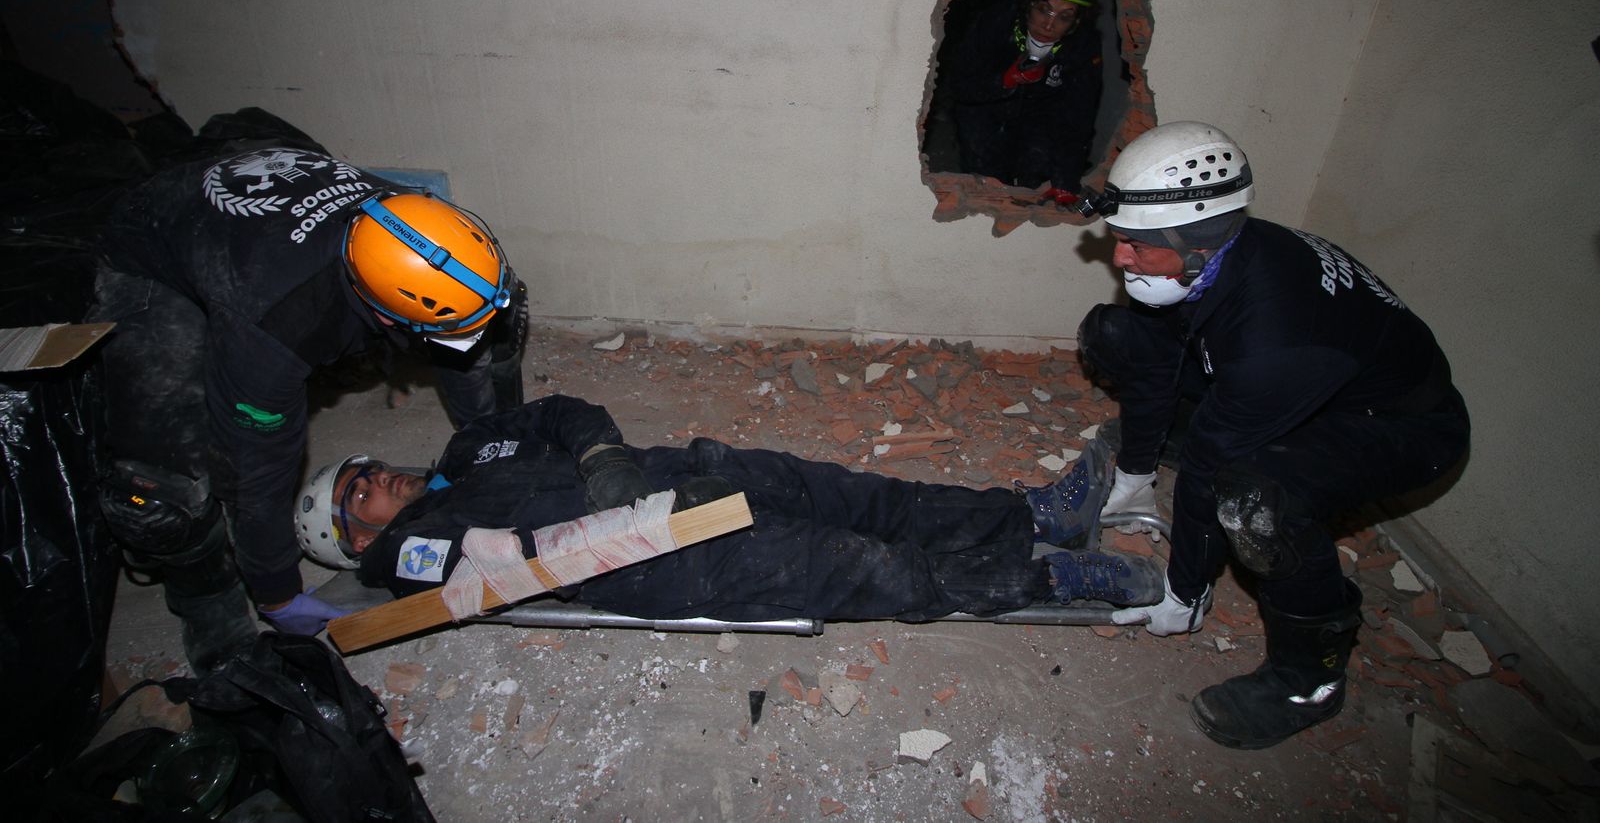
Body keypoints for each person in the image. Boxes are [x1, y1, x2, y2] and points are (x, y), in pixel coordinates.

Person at [1069, 121, 1470, 749]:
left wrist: (1186, 588)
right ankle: (1173, 456)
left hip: (1400, 427)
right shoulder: (1226, 251)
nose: (1120, 258)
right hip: (1296, 387)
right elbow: (1161, 357)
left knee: (1255, 500)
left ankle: (1308, 681)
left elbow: (1209, 465)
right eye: (1119, 240)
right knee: (1119, 334)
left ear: (1195, 241)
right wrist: (1135, 475)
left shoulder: (1277, 339)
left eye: (1137, 246)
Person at [90, 144, 529, 671]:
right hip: (155, 247)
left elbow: (464, 340)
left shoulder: (418, 229)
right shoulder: (275, 332)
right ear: (385, 316)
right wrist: (275, 590)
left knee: (495, 323)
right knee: (164, 484)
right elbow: (258, 473)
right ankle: (208, 607)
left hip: (266, 218)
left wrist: (493, 448)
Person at [294, 394, 1166, 622]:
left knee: (874, 497)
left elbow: (561, 413)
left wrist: (603, 458)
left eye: (365, 468)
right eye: (358, 494)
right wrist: (621, 517)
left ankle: (1029, 517)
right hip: (656, 557)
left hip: (688, 471)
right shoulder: (416, 553)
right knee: (872, 569)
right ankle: (1052, 580)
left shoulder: (462, 449)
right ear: (356, 534)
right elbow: (509, 568)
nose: (379, 479)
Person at [948, 0, 1104, 196]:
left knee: (1036, 171)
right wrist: (1003, 81)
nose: (1049, 25)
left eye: (1064, 17)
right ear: (1030, 4)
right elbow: (959, 84)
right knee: (986, 176)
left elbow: (1078, 118)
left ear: (1076, 22)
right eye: (1044, 10)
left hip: (1040, 115)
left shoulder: (1082, 47)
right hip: (984, 111)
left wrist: (1065, 180)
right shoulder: (995, 24)